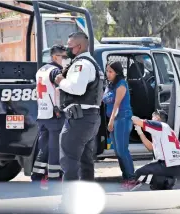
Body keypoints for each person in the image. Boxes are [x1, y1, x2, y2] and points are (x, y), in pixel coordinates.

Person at [54, 32, 104, 183]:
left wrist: (61, 81)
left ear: (80, 46)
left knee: (69, 162)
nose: (66, 50)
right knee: (85, 163)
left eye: (69, 46)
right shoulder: (92, 63)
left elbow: (77, 89)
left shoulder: (81, 64)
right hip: (89, 118)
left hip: (79, 120)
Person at [31, 45, 67, 189]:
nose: (65, 59)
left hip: (43, 114)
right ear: (54, 57)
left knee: (43, 148)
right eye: (63, 57)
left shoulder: (41, 69)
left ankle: (36, 176)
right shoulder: (55, 71)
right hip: (54, 115)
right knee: (54, 149)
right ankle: (54, 179)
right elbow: (62, 86)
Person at [131, 110, 180, 191]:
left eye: (152, 117)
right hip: (179, 166)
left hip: (168, 164)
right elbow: (150, 148)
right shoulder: (166, 130)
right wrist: (140, 132)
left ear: (157, 118)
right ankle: (167, 181)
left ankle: (166, 181)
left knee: (138, 173)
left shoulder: (160, 125)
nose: (151, 119)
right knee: (155, 181)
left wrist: (128, 114)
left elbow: (139, 121)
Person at [102, 61, 135, 187]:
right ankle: (125, 176)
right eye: (107, 71)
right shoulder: (110, 85)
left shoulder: (121, 85)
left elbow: (117, 104)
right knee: (117, 151)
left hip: (122, 118)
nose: (108, 74)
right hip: (113, 119)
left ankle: (131, 177)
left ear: (117, 72)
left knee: (122, 150)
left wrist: (110, 121)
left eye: (111, 72)